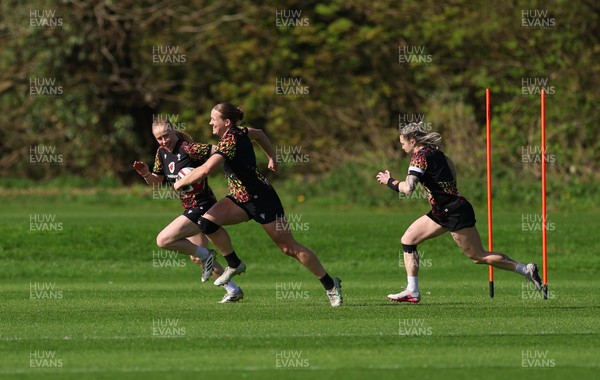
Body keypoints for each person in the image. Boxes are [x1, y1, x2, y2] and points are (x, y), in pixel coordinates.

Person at [174, 103, 343, 307]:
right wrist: (272, 156)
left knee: (289, 248)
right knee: (207, 223)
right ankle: (234, 263)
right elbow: (260, 134)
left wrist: (181, 182)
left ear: (226, 122)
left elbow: (206, 170)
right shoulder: (242, 132)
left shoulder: (230, 141)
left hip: (262, 199)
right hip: (239, 198)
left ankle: (330, 285)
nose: (210, 122)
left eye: (213, 119)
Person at [376, 121, 543, 303]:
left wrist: (390, 181)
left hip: (453, 212)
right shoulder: (436, 152)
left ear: (413, 140)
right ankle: (412, 291)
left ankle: (526, 270)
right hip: (444, 210)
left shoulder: (419, 157)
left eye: (402, 143)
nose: (401, 146)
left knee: (478, 256)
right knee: (408, 240)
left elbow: (408, 188)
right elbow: (452, 171)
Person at [133, 119, 244, 303]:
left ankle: (208, 255)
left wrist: (236, 164)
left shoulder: (189, 148)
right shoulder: (161, 152)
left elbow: (220, 150)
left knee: (163, 240)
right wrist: (145, 173)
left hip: (203, 206)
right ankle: (233, 290)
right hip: (190, 207)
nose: (163, 141)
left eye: (166, 136)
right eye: (159, 138)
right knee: (196, 256)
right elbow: (157, 182)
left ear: (174, 131)